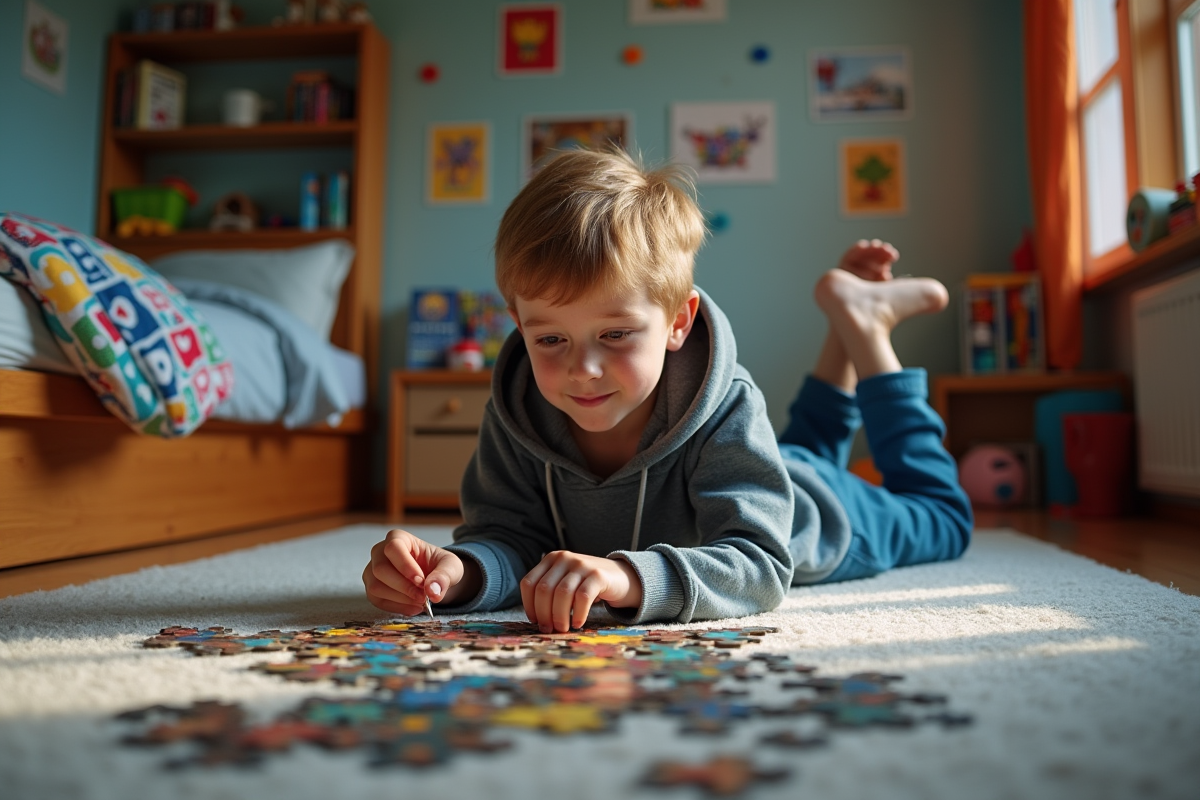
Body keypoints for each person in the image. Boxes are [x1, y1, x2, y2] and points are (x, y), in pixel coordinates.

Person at [363, 149, 972, 633]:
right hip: (771, 467)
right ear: (519, 325)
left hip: (824, 511)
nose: (584, 370)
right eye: (551, 340)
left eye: (616, 334)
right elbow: (509, 538)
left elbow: (760, 566)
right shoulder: (519, 410)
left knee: (943, 517)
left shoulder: (728, 401)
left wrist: (628, 578)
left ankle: (865, 332)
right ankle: (847, 316)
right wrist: (463, 573)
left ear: (678, 321)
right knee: (806, 445)